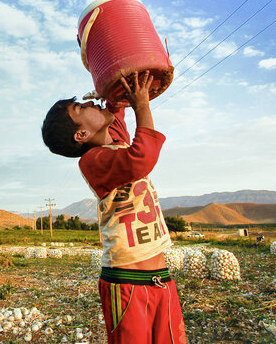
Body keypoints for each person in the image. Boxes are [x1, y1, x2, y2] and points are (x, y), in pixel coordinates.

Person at [41, 71, 187, 343]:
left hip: (160, 277)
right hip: (126, 281)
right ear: (82, 133)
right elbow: (142, 157)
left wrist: (110, 94)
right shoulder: (93, 162)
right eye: (80, 108)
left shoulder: (115, 139)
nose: (89, 104)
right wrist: (143, 104)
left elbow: (116, 110)